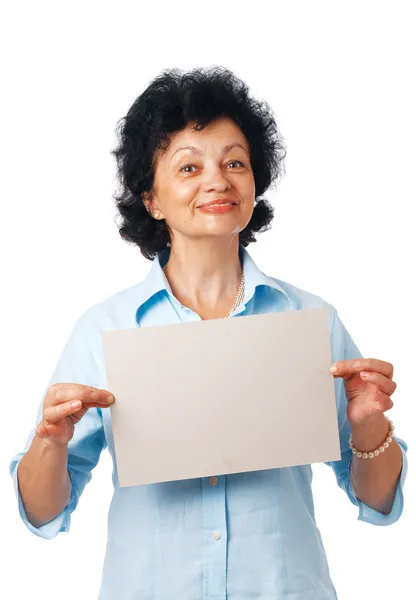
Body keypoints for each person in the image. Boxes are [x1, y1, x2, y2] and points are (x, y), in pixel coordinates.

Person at [10, 66, 408, 600]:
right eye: (189, 166)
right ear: (151, 197)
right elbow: (41, 512)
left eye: (234, 163)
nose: (217, 180)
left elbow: (378, 501)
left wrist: (367, 425)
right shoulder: (105, 329)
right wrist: (50, 443)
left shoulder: (310, 320)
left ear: (253, 183)